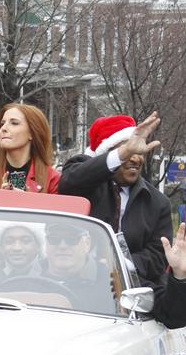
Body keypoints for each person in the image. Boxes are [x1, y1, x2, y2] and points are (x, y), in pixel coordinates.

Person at [56, 113, 168, 283]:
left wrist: (121, 264)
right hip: (79, 281)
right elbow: (69, 183)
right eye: (128, 150)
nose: (135, 158)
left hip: (131, 287)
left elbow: (158, 255)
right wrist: (124, 152)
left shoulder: (158, 203)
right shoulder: (87, 179)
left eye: (139, 152)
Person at [0, 103, 60, 204]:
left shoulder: (52, 179)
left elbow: (55, 218)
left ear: (32, 133)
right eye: (2, 123)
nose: (3, 128)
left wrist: (26, 202)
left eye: (14, 123)